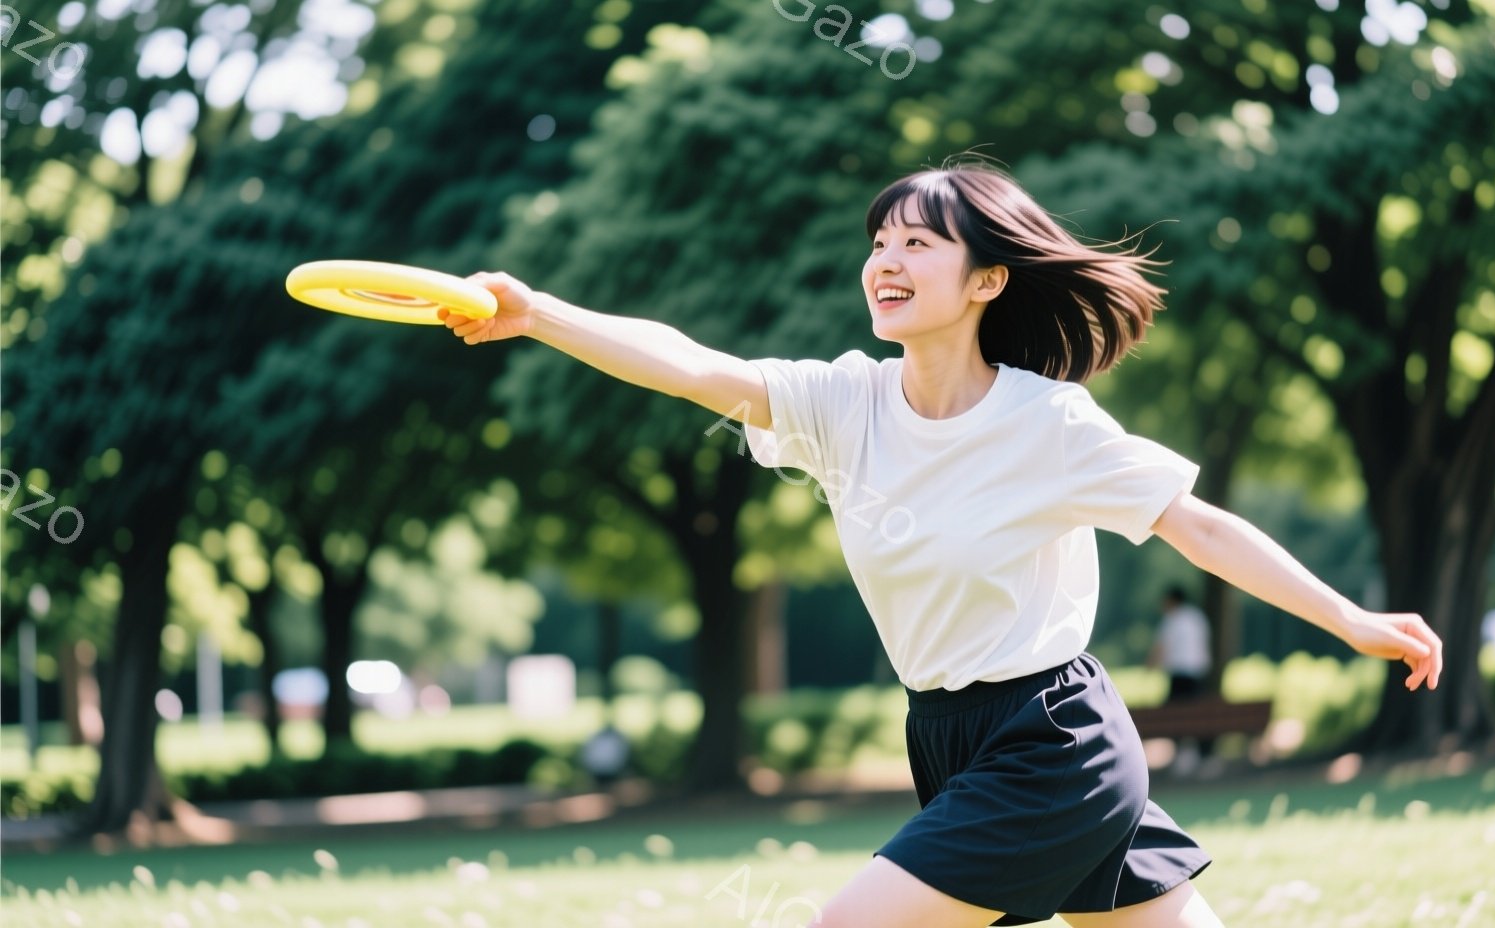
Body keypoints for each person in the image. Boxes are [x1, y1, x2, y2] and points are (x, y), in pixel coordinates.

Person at [438, 161, 1443, 928]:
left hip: (1053, 737)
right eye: (878, 241)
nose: (886, 259)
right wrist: (535, 315)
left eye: (918, 244)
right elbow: (697, 369)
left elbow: (1198, 524)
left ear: (986, 280)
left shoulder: (1050, 422)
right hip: (947, 734)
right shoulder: (844, 403)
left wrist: (1349, 620)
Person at [1145, 585, 1216, 776]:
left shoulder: (1172, 619)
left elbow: (1161, 647)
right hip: (1198, 673)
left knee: (1175, 715)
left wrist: (1149, 667)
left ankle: (1183, 754)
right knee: (1196, 714)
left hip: (1180, 675)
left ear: (1172, 601)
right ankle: (1198, 755)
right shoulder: (1197, 617)